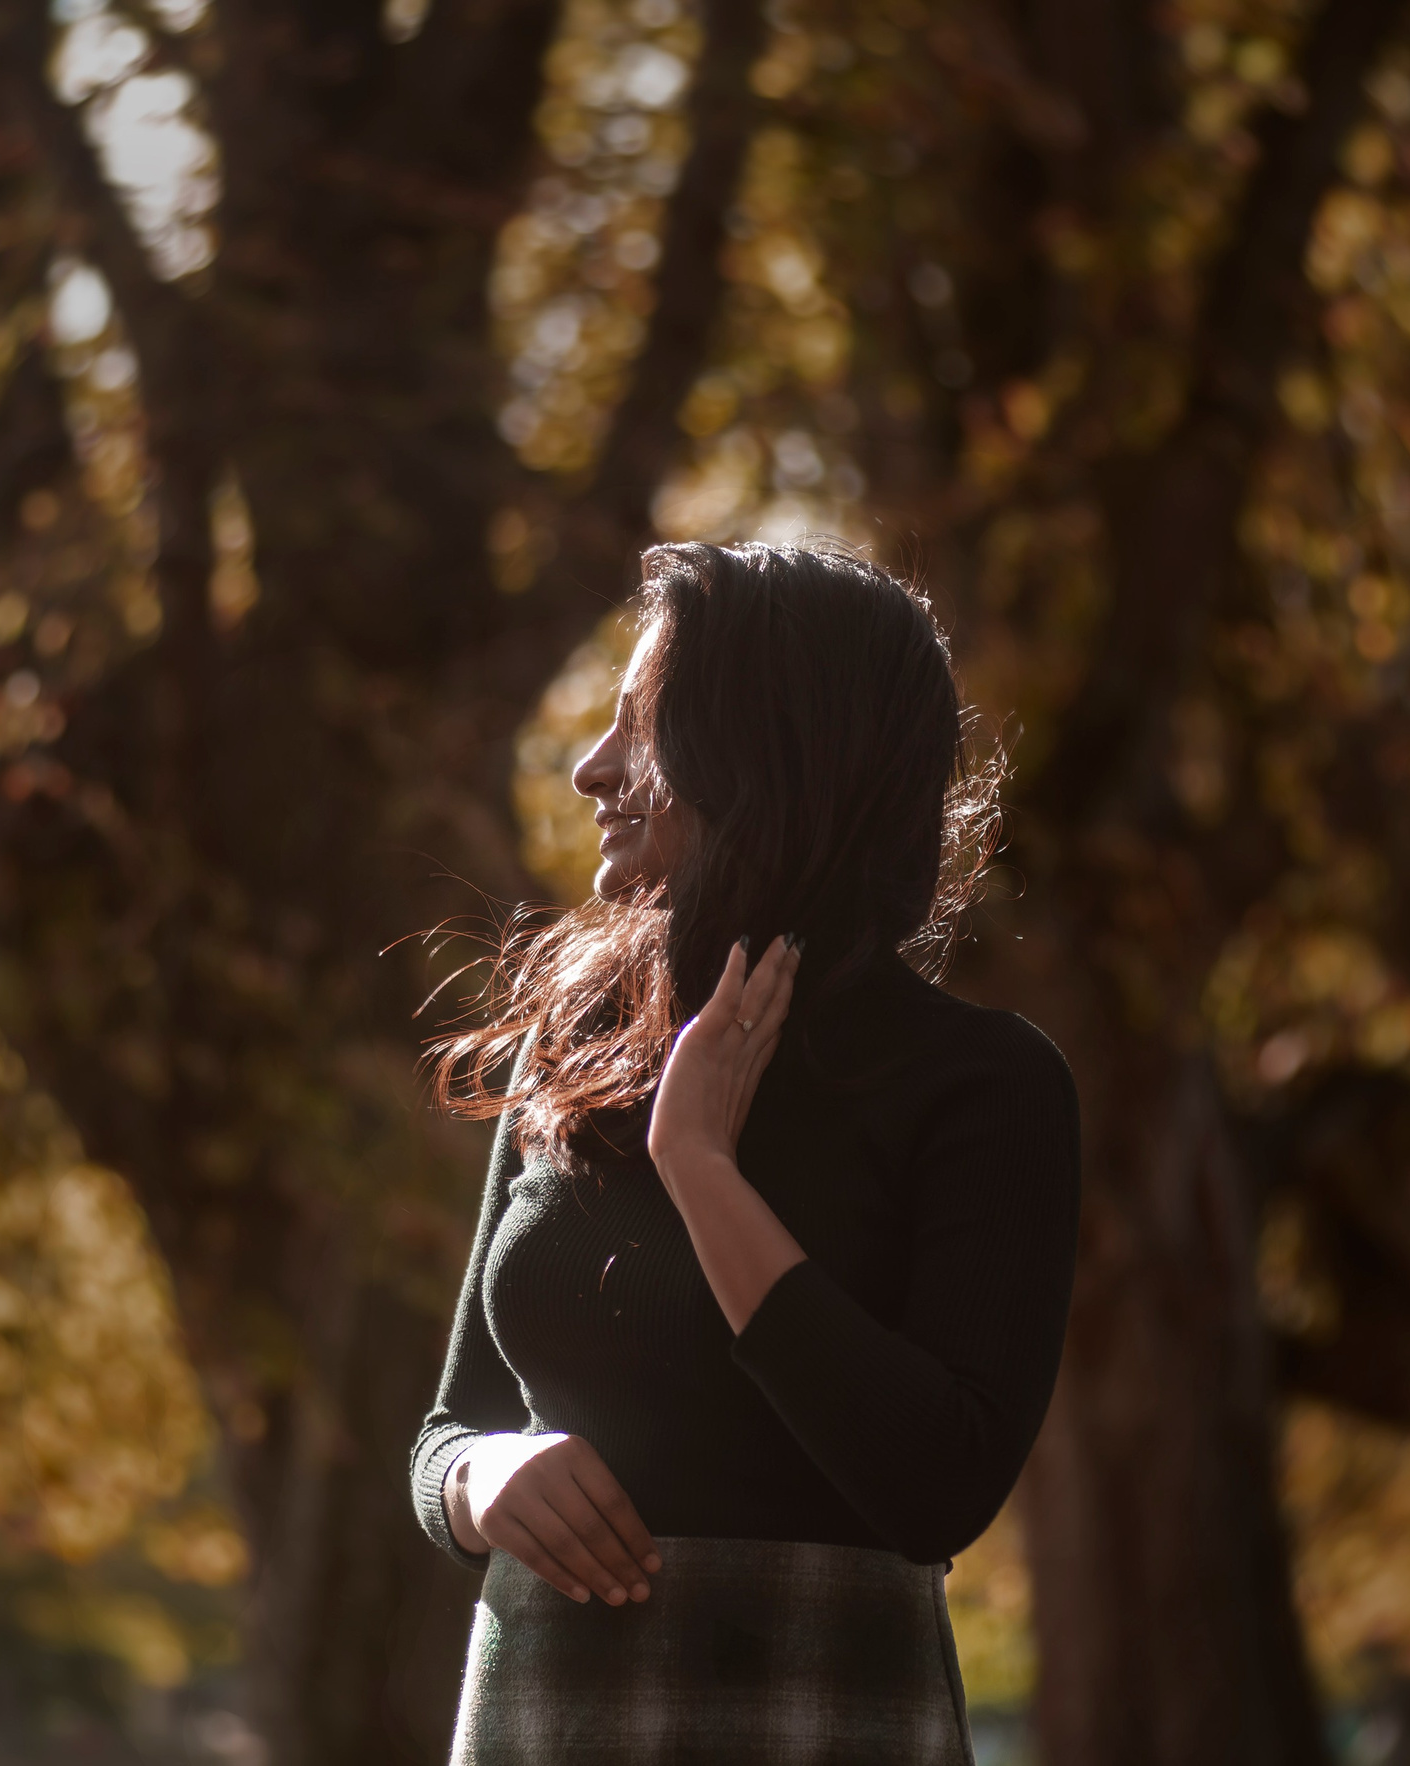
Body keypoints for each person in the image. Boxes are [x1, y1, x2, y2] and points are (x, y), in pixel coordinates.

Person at [412, 541, 1083, 1764]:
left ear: (772, 751)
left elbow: (936, 1485)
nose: (588, 768)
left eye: (646, 727)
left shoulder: (984, 1085)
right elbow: (450, 1424)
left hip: (826, 1711)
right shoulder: (571, 1052)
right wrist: (481, 1482)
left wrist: (704, 1170)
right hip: (545, 1715)